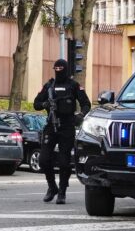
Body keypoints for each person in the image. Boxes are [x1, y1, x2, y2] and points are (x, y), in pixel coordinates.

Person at [33, 58, 91, 204]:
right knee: (43, 160)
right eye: (56, 69)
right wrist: (45, 104)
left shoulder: (73, 85)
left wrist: (80, 116)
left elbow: (86, 104)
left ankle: (62, 192)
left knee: (64, 162)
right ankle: (52, 187)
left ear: (65, 69)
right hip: (51, 125)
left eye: (61, 69)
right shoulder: (49, 86)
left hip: (67, 126)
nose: (58, 71)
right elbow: (36, 104)